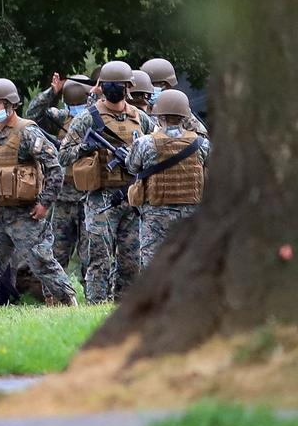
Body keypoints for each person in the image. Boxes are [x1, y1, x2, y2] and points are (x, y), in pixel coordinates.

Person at [0, 79, 78, 306]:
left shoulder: (27, 132)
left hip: (25, 215)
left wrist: (45, 203)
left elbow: (54, 169)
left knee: (41, 260)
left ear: (11, 105)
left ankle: (68, 300)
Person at [59, 60, 155, 302]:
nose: (114, 88)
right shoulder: (87, 118)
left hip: (132, 197)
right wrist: (84, 148)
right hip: (100, 199)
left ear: (128, 88)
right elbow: (63, 155)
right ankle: (96, 305)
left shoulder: (140, 118)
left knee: (131, 262)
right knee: (98, 259)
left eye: (119, 85)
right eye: (109, 84)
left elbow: (156, 147)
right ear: (102, 87)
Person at [125, 89, 209, 267]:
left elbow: (131, 168)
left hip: (156, 214)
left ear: (159, 115)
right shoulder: (202, 144)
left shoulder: (145, 143)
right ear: (185, 116)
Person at [26, 73, 93, 280]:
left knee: (89, 254)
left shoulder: (96, 116)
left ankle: (89, 294)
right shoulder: (61, 118)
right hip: (65, 196)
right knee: (59, 252)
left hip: (88, 195)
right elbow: (33, 114)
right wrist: (51, 92)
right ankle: (58, 293)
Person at [141, 58, 208, 136]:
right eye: (150, 85)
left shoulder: (178, 108)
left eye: (158, 84)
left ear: (167, 85)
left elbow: (201, 136)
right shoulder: (135, 112)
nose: (152, 89)